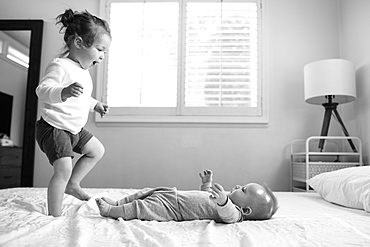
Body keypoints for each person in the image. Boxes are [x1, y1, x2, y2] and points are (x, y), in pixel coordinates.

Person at [35, 9, 112, 217]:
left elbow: (81, 97)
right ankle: (55, 214)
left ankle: (73, 184)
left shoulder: (83, 72)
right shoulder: (60, 66)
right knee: (63, 169)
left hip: (74, 129)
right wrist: (63, 92)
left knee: (97, 150)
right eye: (100, 49)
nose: (103, 56)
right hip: (53, 127)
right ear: (79, 43)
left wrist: (95, 104)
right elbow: (41, 91)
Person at [95, 170, 279, 223]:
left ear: (246, 209)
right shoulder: (222, 198)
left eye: (244, 189)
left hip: (174, 209)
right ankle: (119, 201)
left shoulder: (234, 212)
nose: (238, 186)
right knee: (146, 192)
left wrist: (224, 201)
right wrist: (207, 184)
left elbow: (228, 215)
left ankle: (113, 210)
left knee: (143, 208)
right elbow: (204, 196)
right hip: (173, 194)